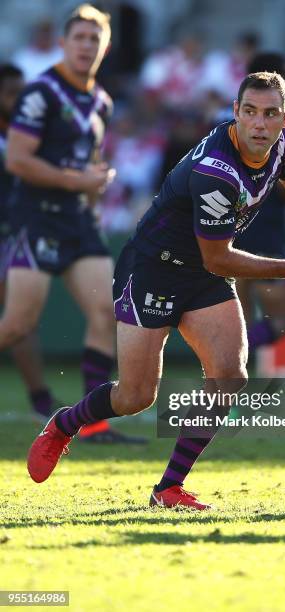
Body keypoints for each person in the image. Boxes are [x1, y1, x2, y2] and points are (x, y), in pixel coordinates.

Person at [28, 71, 285, 508]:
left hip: (202, 278)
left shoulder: (283, 144)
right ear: (235, 113)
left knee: (229, 378)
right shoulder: (216, 171)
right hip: (154, 270)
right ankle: (65, 423)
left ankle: (168, 488)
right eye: (250, 112)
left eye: (271, 114)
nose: (259, 123)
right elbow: (218, 257)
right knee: (135, 397)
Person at [3, 5, 145, 444]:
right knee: (17, 324)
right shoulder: (40, 94)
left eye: (94, 39)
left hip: (79, 221)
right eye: (79, 38)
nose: (87, 46)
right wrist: (75, 179)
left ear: (105, 47)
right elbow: (18, 160)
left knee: (106, 312)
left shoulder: (101, 99)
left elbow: (88, 161)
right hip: (37, 218)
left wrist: (94, 188)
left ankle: (91, 424)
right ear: (62, 44)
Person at [0, 63, 58, 420]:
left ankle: (40, 397)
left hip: (16, 234)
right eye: (9, 92)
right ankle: (40, 397)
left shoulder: (34, 134)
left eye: (21, 92)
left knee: (19, 321)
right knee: (18, 322)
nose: (18, 99)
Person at [234, 52, 285, 350]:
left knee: (239, 324)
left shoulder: (227, 122)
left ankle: (228, 377)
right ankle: (229, 367)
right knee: (281, 323)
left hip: (231, 230)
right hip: (267, 232)